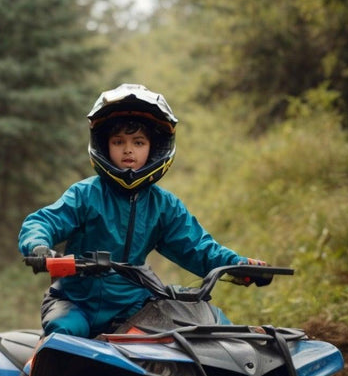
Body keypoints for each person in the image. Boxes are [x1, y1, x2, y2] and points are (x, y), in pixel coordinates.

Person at [18, 83, 265, 338]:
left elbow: (198, 248)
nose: (128, 149)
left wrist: (239, 265)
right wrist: (38, 246)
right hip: (75, 302)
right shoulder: (85, 194)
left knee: (190, 329)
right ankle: (33, 373)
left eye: (138, 142)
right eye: (118, 141)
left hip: (134, 305)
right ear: (104, 146)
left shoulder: (164, 206)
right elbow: (43, 221)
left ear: (154, 147)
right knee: (65, 334)